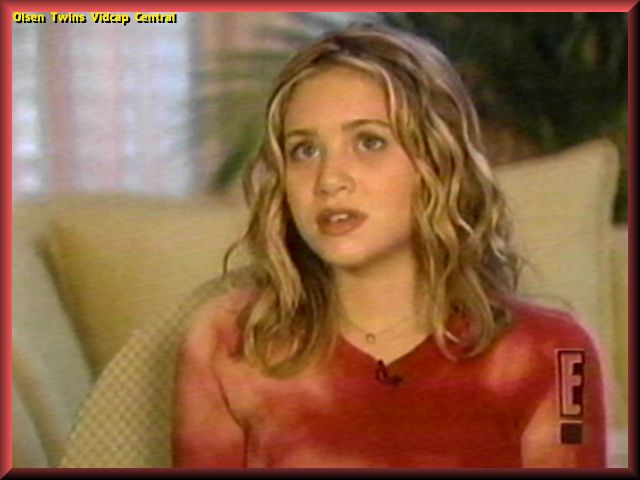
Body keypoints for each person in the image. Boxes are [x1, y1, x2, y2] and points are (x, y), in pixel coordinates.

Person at [172, 23, 607, 468]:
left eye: (369, 142)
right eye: (305, 151)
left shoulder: (555, 354)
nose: (330, 179)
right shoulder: (229, 344)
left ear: (438, 165)